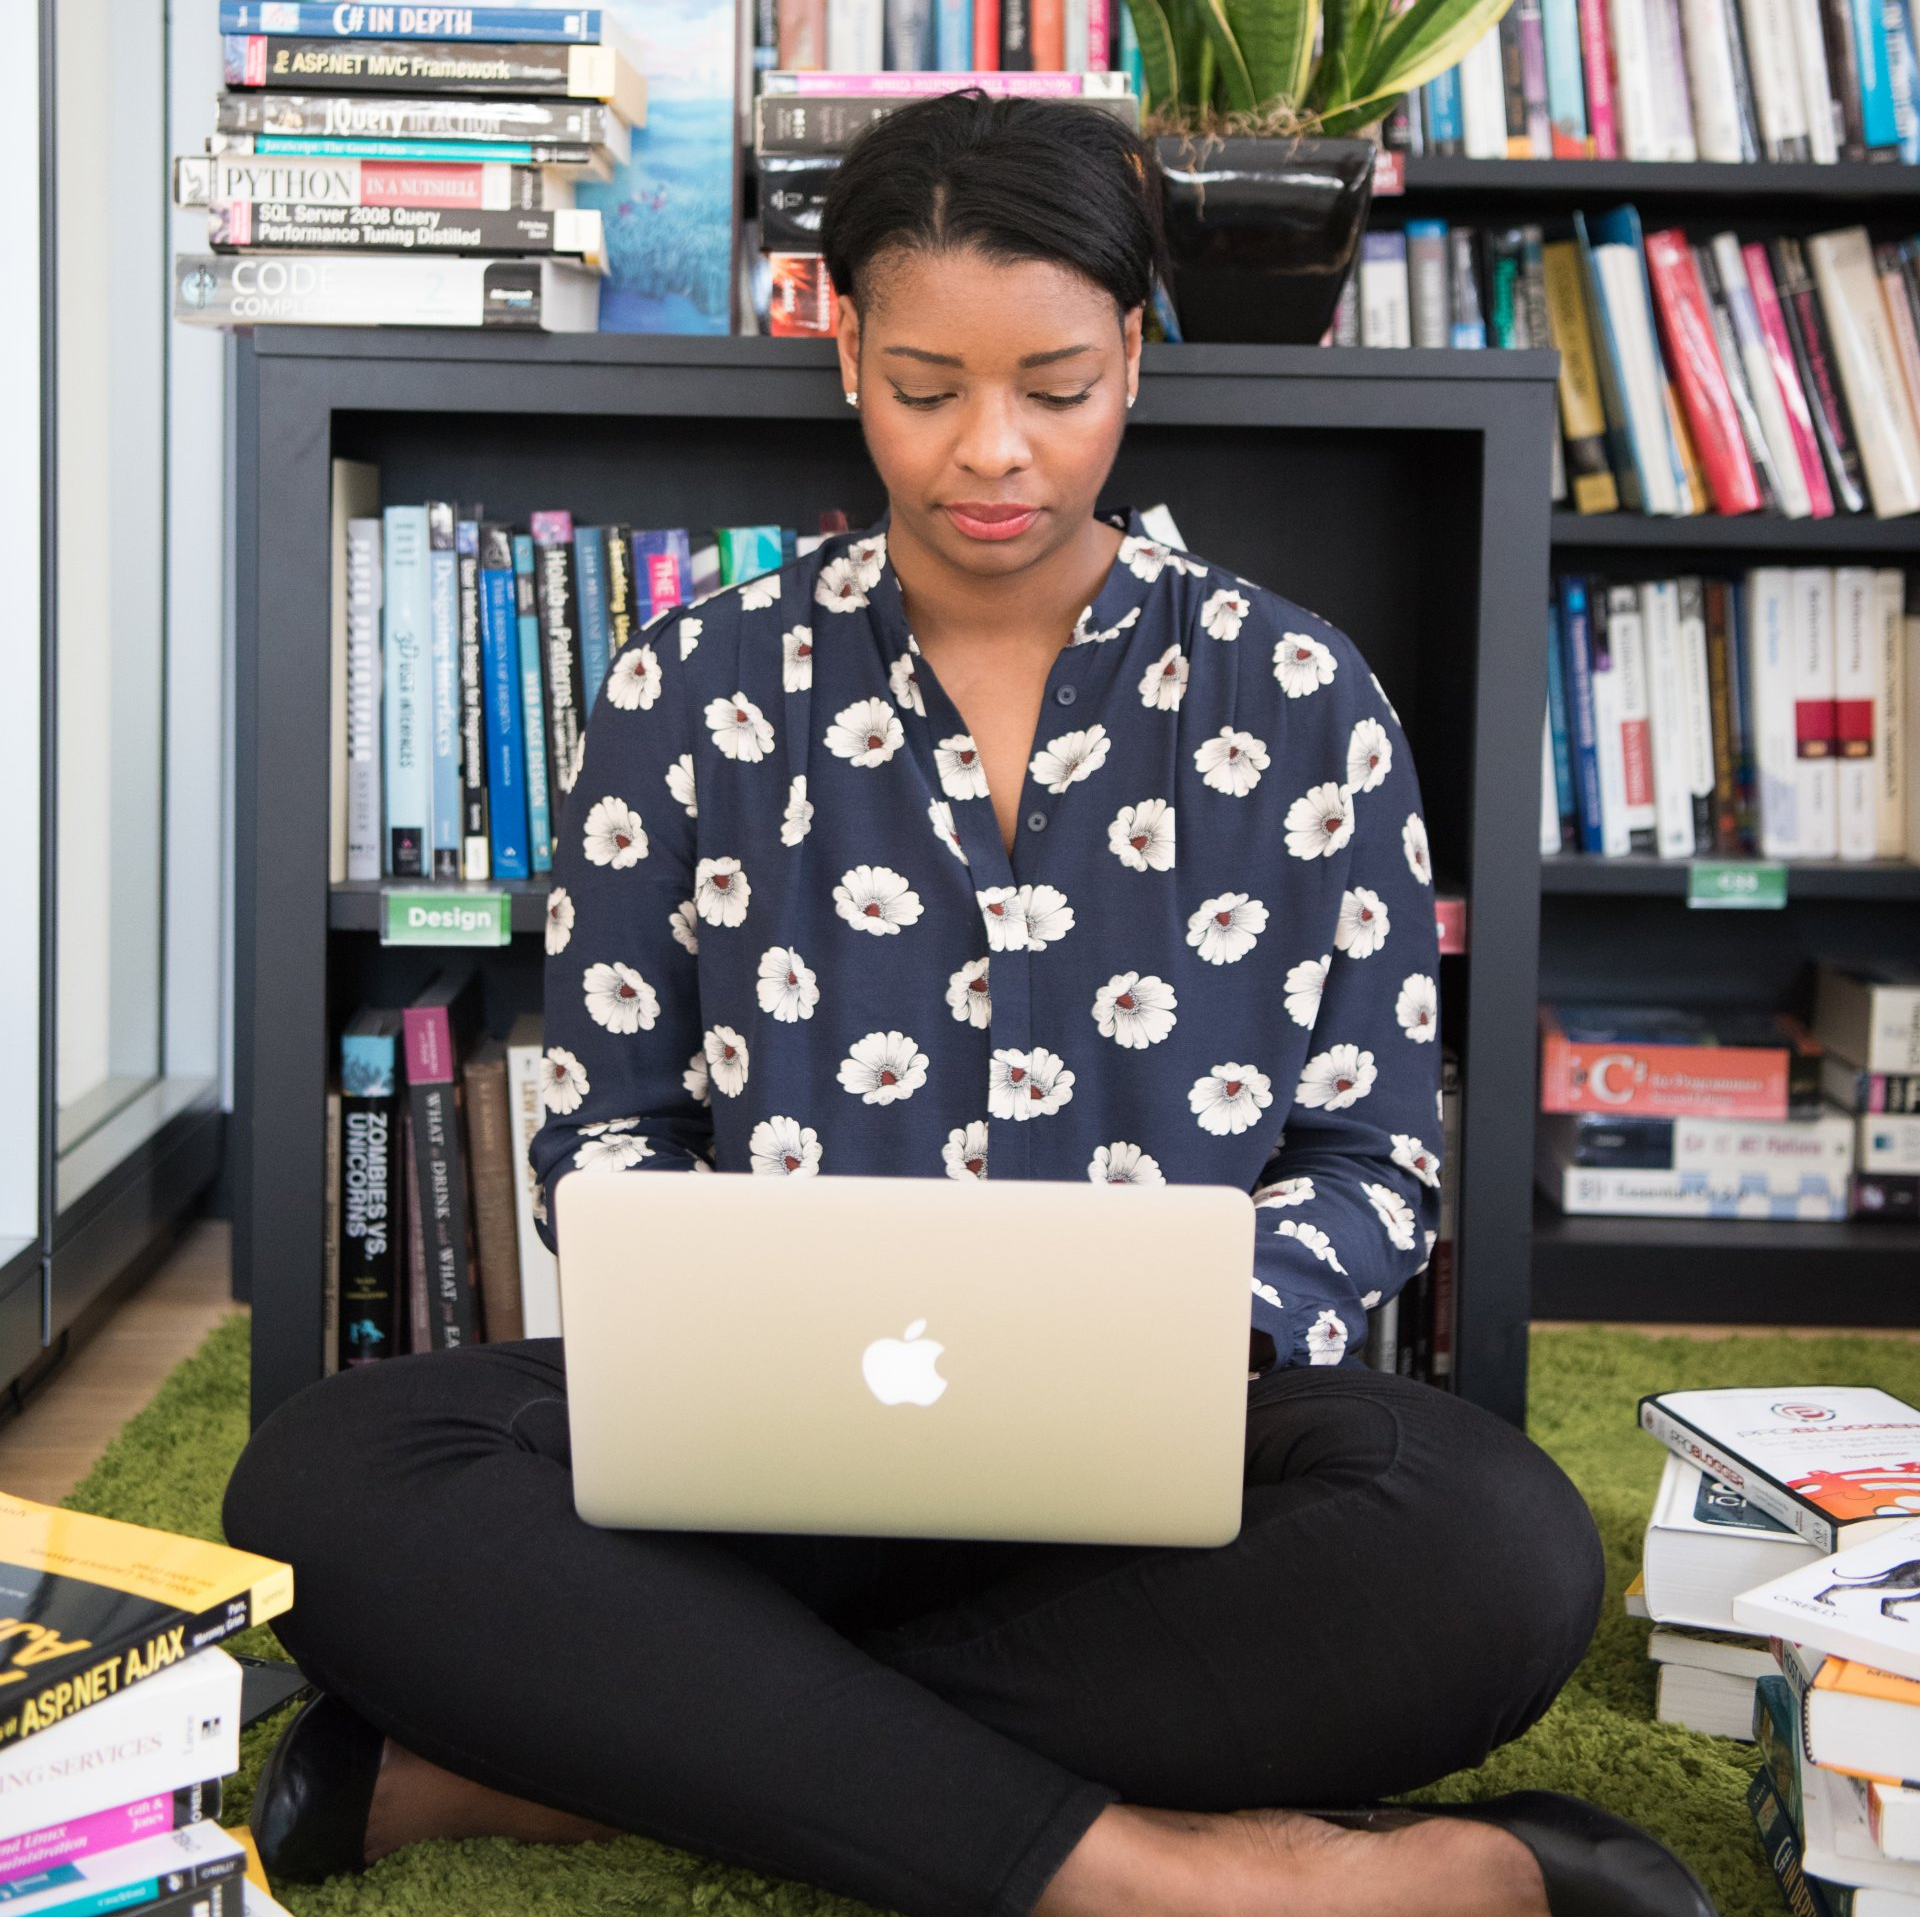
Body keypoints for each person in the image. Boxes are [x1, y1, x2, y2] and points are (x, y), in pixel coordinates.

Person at [226, 94, 1711, 1917]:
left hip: (1171, 1484)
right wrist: (727, 1312)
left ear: (1136, 360)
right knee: (329, 1477)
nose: (992, 452)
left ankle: (564, 1756)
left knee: (1495, 1552)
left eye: (1057, 386)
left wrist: (1182, 1339)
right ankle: (1170, 1873)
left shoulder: (1304, 695)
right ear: (840, 342)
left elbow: (1376, 1153)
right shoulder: (685, 686)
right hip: (763, 1473)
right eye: (925, 388)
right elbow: (609, 1122)